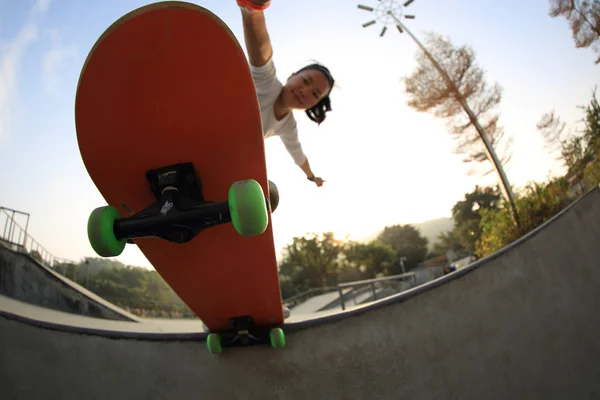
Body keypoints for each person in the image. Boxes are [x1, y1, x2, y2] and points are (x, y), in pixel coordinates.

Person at [237, 0, 335, 188]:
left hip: (227, 152)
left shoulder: (288, 126)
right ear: (292, 76)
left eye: (315, 94)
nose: (304, 92)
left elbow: (298, 154)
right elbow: (261, 52)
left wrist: (312, 177)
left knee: (269, 189)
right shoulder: (267, 84)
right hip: (205, 122)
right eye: (305, 81)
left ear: (313, 104)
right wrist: (253, 10)